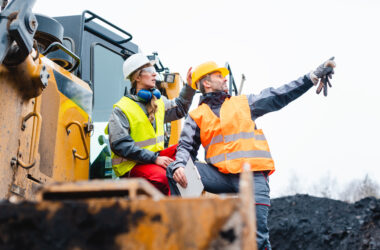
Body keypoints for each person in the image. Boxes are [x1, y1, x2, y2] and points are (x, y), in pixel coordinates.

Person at [166, 58, 336, 249]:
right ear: (206, 83)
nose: (224, 79)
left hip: (252, 177)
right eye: (219, 75)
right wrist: (180, 165)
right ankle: (186, 234)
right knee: (174, 168)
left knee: (258, 239)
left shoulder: (243, 103)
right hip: (220, 176)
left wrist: (311, 77)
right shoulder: (197, 115)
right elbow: (185, 147)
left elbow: (279, 95)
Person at [107, 53, 195, 195]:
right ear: (137, 77)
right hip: (131, 166)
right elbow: (121, 146)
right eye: (150, 71)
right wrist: (155, 159)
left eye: (155, 71)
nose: (155, 74)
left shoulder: (158, 103)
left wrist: (190, 87)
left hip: (152, 159)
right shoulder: (121, 109)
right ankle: (172, 214)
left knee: (186, 150)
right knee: (164, 179)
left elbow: (179, 108)